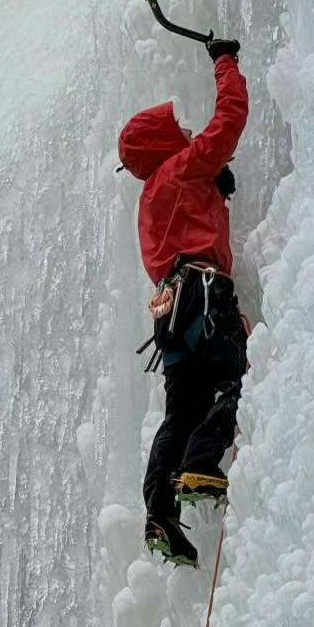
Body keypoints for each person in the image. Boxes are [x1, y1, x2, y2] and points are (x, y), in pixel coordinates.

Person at [118, 37, 249, 564]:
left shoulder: (149, 199)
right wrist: (225, 63)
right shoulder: (182, 168)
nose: (190, 134)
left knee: (182, 408)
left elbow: (181, 230)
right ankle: (202, 465)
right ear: (164, 145)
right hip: (203, 291)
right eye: (180, 133)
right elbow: (228, 123)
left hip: (170, 313)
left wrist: (212, 187)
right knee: (235, 377)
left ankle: (160, 511)